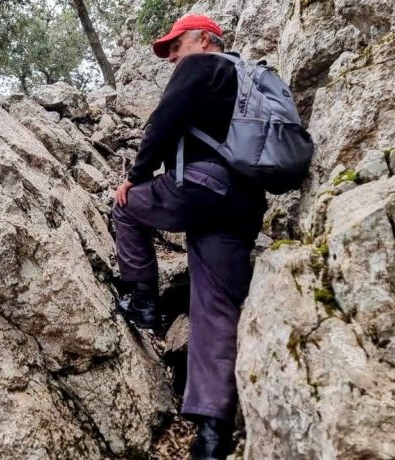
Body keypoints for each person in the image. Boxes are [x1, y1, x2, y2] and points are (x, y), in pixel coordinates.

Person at [112, 14, 268, 460]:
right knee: (215, 311)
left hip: (201, 189)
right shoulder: (249, 77)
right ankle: (213, 436)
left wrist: (134, 177)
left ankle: (143, 303)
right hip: (243, 206)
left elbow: (161, 123)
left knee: (126, 210)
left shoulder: (200, 67)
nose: (172, 56)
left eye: (175, 45)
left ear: (203, 39)